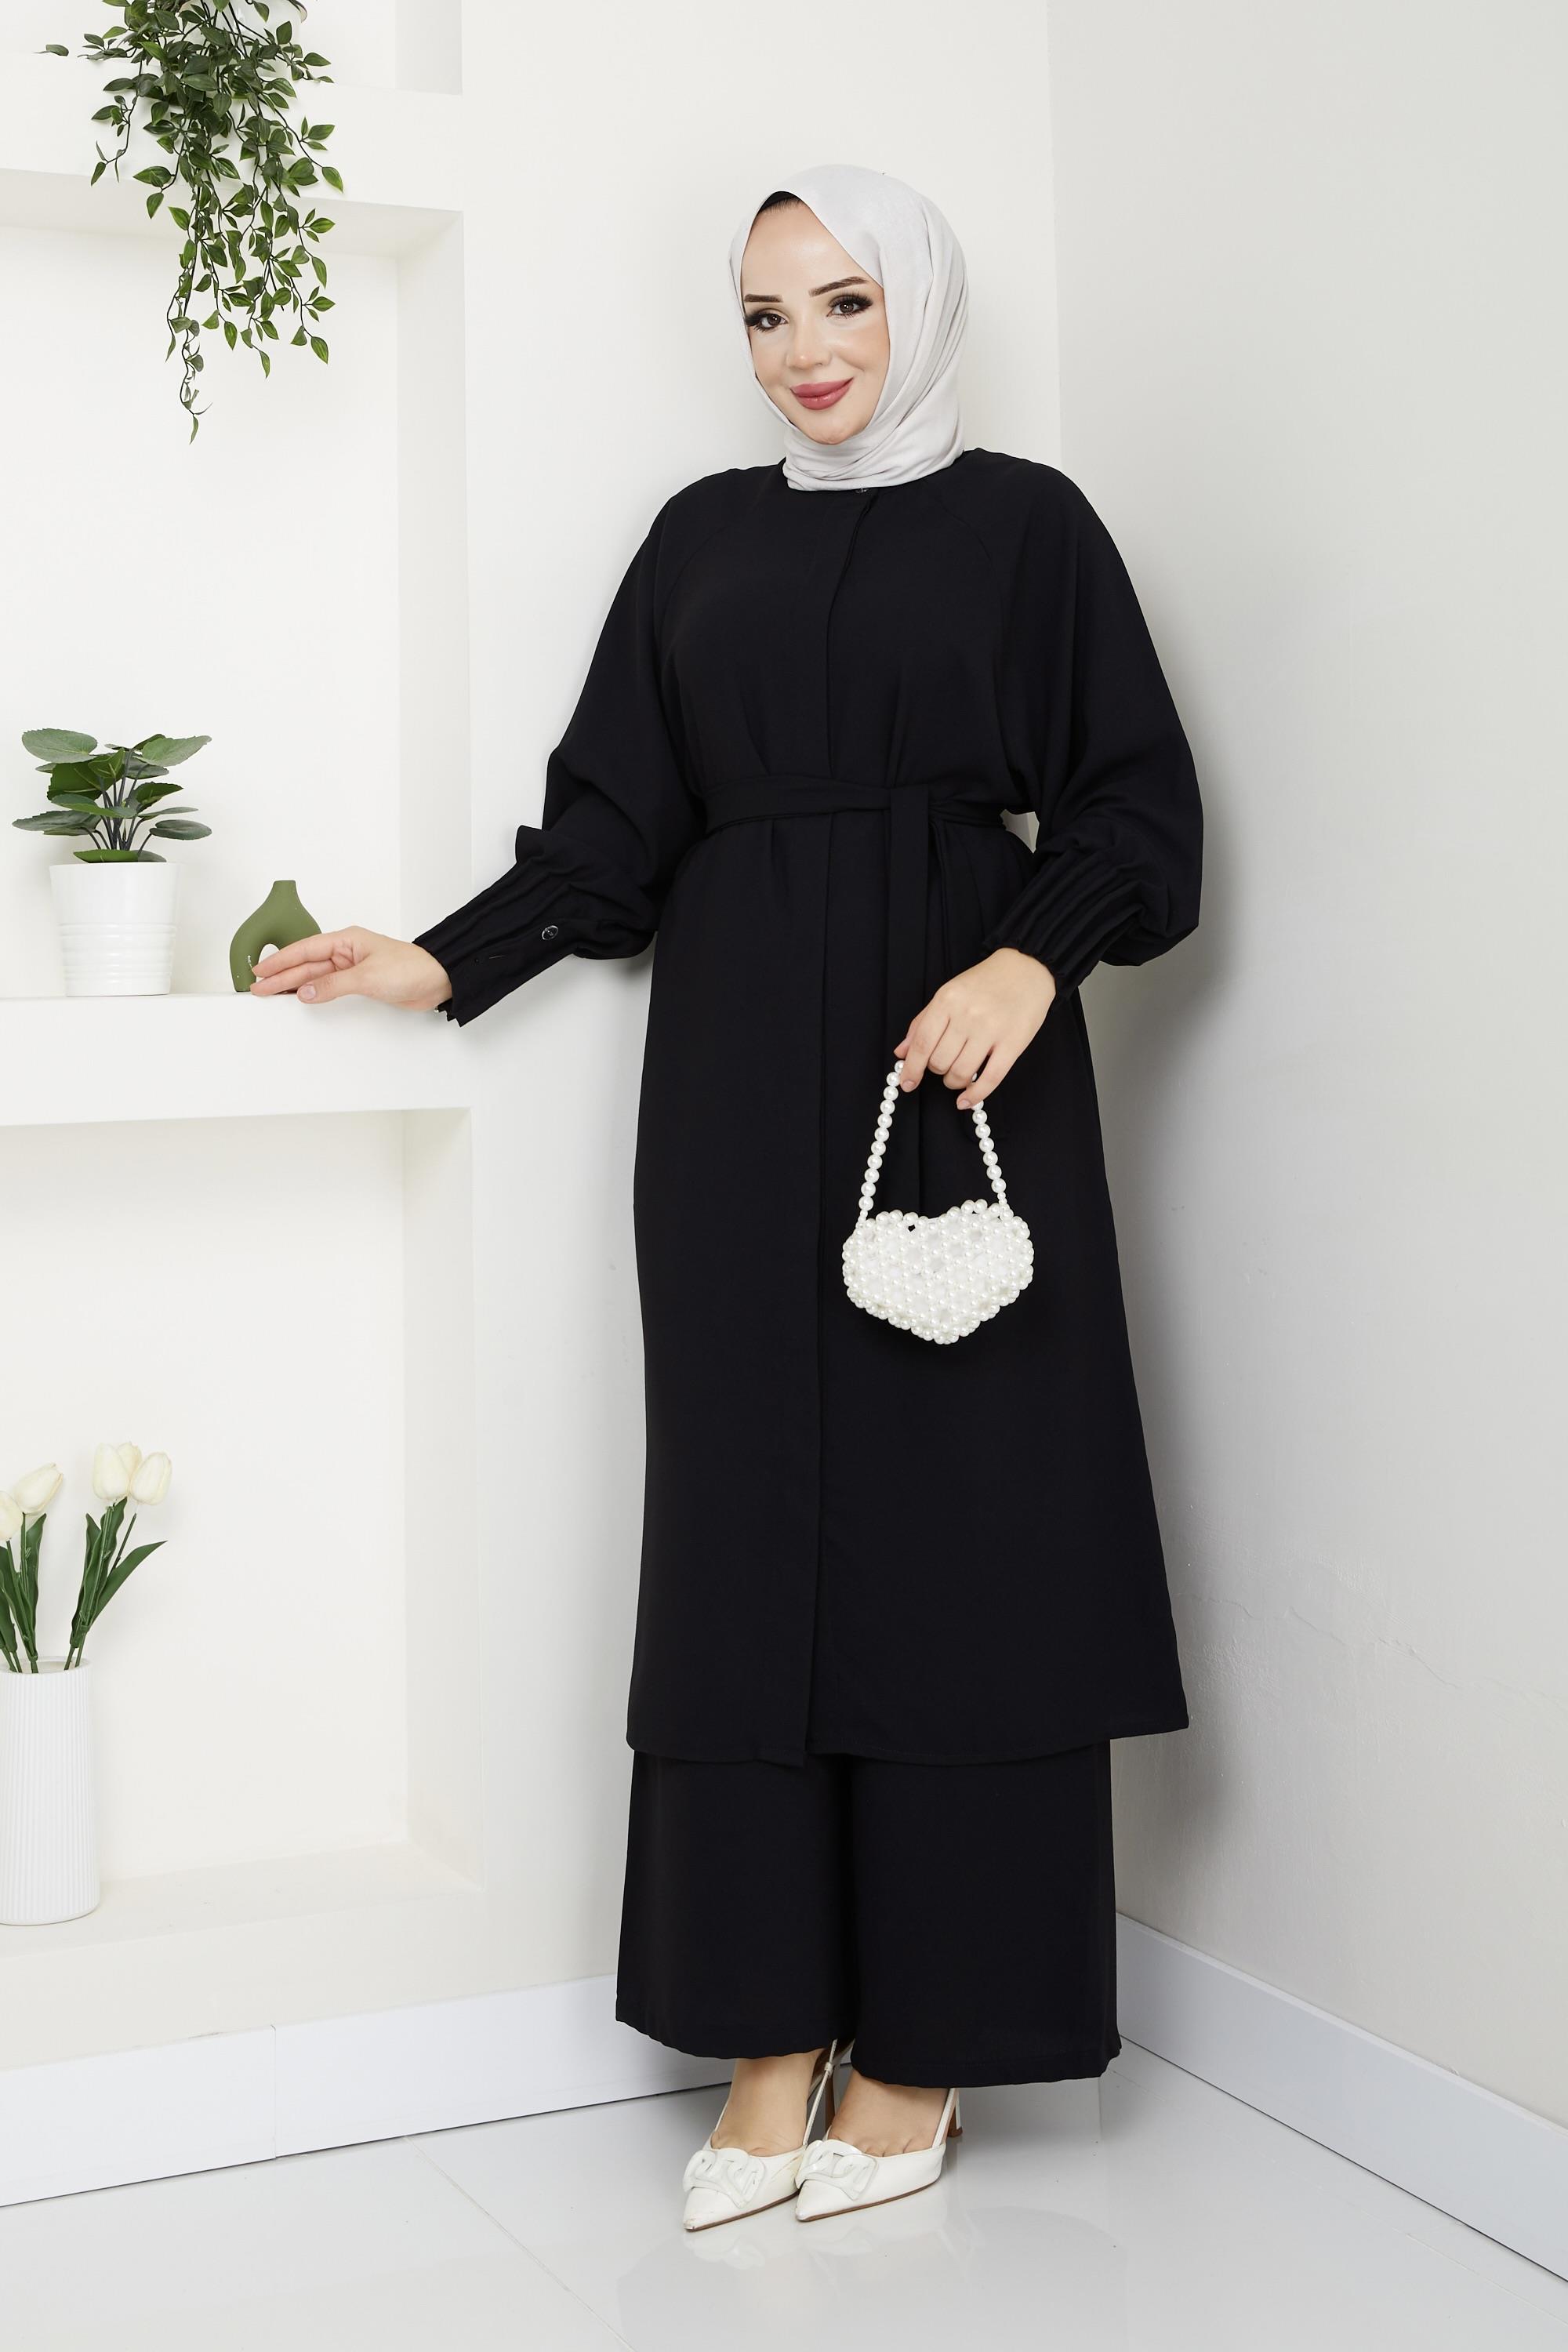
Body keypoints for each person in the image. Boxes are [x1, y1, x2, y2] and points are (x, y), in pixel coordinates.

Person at [249, 163, 1204, 2229]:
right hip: (736, 1095)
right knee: (746, 1533)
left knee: (967, 1536)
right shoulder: (698, 540)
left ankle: (928, 2048)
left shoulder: (1031, 527)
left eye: (844, 300)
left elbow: (1139, 806)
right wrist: (440, 960)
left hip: (959, 1071)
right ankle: (768, 2034)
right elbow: (612, 836)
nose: (805, 351)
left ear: (918, 303)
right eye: (766, 315)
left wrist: (1030, 958)